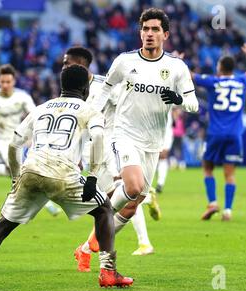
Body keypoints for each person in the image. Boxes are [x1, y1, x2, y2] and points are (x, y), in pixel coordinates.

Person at [0, 65, 133, 291]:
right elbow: (97, 137)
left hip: (31, 170)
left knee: (3, 225)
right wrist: (93, 177)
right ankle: (108, 272)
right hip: (62, 173)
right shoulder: (89, 110)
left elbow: (15, 143)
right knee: (104, 209)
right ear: (85, 89)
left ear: (61, 86)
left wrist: (16, 176)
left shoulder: (42, 107)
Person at [75, 7, 199, 265]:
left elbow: (194, 103)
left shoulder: (176, 67)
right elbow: (104, 91)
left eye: (155, 29)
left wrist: (179, 100)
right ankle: (103, 214)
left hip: (153, 142)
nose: (149, 34)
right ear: (140, 32)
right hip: (124, 134)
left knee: (134, 204)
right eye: (145, 29)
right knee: (132, 187)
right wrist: (90, 116)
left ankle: (90, 245)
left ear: (165, 34)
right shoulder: (124, 61)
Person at [63, 46, 160, 263]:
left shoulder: (104, 84)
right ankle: (88, 248)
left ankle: (143, 241)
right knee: (110, 204)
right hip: (92, 153)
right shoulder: (70, 91)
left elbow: (129, 105)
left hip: (114, 146)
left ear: (79, 63)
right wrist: (76, 156)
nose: (63, 67)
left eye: (66, 63)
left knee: (127, 196)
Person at [0, 64, 61, 215]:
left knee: (14, 171)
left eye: (8, 82)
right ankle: (47, 205)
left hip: (17, 140)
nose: (5, 85)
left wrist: (37, 135)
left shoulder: (22, 97)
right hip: (0, 142)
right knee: (22, 171)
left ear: (14, 81)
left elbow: (35, 115)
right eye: (2, 82)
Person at [194, 43, 246, 221]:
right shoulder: (241, 81)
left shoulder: (213, 81)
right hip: (235, 134)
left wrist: (176, 60)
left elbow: (191, 76)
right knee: (230, 174)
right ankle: (228, 210)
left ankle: (213, 202)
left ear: (220, 68)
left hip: (215, 133)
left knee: (208, 168)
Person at [155, 108, 174, 193]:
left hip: (166, 130)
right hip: (151, 129)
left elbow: (177, 107)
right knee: (152, 156)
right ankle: (146, 185)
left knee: (163, 156)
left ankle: (160, 183)